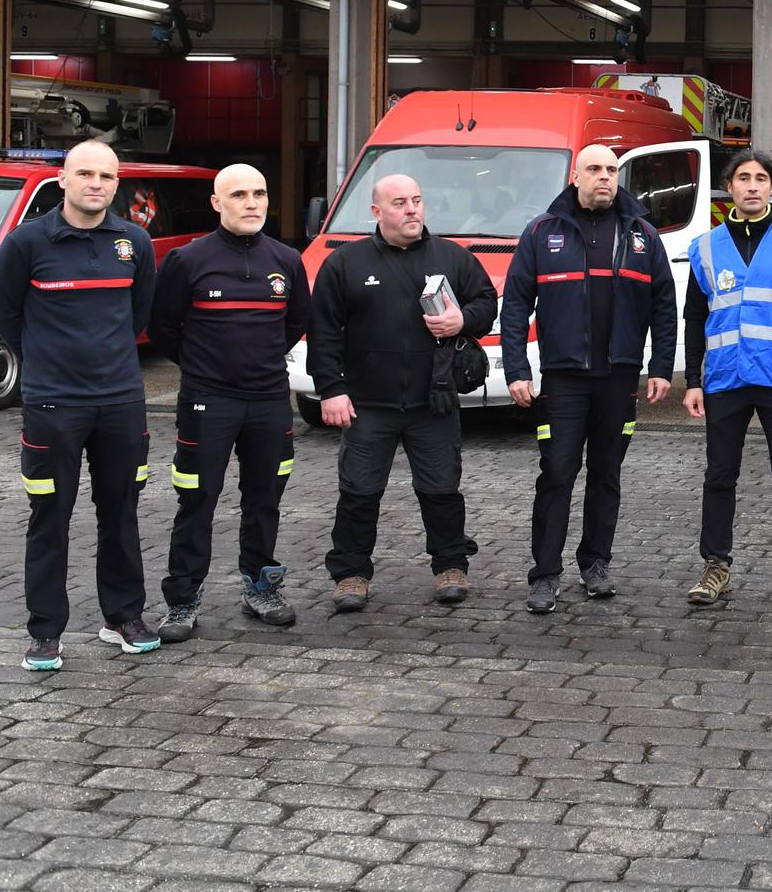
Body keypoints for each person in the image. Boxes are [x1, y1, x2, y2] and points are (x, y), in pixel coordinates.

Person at [0, 140, 160, 671]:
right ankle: (45, 632)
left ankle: (123, 618)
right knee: (49, 516)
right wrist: (48, 365)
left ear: (117, 184)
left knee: (121, 512)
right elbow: (6, 317)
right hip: (52, 406)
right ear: (62, 180)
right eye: (84, 173)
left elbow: (137, 315)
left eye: (106, 176)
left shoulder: (134, 242)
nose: (96, 183)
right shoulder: (25, 243)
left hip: (121, 403)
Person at [308, 174, 496, 612]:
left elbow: (487, 304)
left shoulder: (452, 256)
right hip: (367, 403)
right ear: (376, 212)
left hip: (435, 400)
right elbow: (323, 333)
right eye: (399, 203)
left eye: (416, 200)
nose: (412, 210)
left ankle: (451, 566)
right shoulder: (345, 263)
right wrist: (331, 390)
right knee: (358, 492)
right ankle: (351, 573)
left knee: (441, 489)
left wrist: (461, 321)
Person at [502, 144, 676, 612]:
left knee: (606, 475)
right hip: (563, 382)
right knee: (557, 473)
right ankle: (545, 574)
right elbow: (516, 304)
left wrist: (661, 366)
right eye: (595, 169)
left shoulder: (642, 234)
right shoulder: (542, 232)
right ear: (575, 176)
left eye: (612, 169)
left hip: (618, 379)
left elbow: (664, 305)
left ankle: (596, 563)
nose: (605, 177)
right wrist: (517, 368)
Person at [148, 164, 312, 641]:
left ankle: (260, 588)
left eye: (259, 193)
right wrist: (205, 367)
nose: (252, 202)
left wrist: (256, 362)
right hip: (207, 402)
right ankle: (182, 602)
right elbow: (163, 329)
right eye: (238, 194)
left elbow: (295, 322)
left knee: (265, 500)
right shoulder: (187, 260)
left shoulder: (287, 260)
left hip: (268, 402)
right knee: (196, 501)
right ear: (217, 203)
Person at [680, 149, 772, 613]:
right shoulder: (706, 247)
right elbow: (694, 316)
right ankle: (715, 566)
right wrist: (692, 379)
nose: (751, 186)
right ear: (729, 187)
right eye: (742, 177)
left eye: (760, 178)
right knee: (719, 477)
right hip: (725, 379)